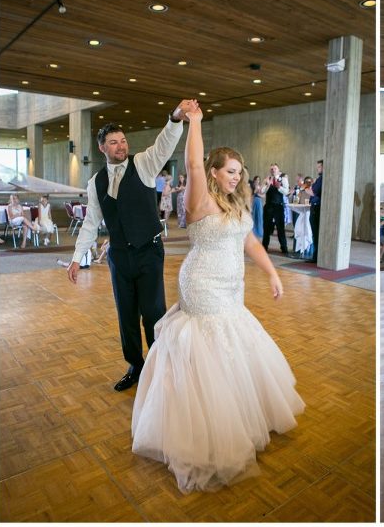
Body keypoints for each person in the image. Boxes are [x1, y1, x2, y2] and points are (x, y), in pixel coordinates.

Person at [131, 104, 304, 493]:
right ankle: (206, 428)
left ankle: (237, 414)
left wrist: (272, 272)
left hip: (232, 287)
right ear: (214, 172)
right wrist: (194, 122)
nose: (236, 178)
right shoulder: (199, 200)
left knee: (232, 344)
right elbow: (193, 164)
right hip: (202, 284)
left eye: (239, 172)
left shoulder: (235, 204)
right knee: (207, 347)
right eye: (230, 171)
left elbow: (250, 241)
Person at [67, 99, 197, 391]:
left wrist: (176, 117)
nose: (121, 146)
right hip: (119, 256)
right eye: (113, 142)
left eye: (123, 140)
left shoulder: (143, 164)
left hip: (149, 252)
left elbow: (164, 145)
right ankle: (135, 366)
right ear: (102, 148)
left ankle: (161, 366)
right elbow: (91, 222)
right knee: (126, 314)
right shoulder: (96, 182)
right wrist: (77, 257)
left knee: (153, 312)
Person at [261, 163, 289, 255]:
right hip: (268, 206)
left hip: (278, 206)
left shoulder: (283, 179)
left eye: (275, 168)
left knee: (280, 228)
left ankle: (284, 248)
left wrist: (279, 187)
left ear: (278, 169)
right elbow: (262, 191)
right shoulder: (267, 179)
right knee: (266, 228)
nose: (273, 170)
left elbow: (286, 192)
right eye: (271, 169)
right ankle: (264, 247)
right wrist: (267, 185)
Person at [307, 160, 323, 264]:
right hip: (316, 207)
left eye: (319, 167)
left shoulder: (322, 179)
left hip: (317, 208)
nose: (318, 169)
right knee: (315, 233)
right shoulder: (319, 179)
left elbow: (313, 192)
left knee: (316, 233)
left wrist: (305, 187)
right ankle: (315, 255)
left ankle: (315, 257)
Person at [250, 175, 264, 240]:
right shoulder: (253, 186)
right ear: (254, 180)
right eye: (256, 179)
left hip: (259, 201)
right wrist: (256, 191)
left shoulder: (260, 186)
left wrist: (259, 195)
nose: (257, 181)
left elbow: (263, 195)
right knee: (254, 215)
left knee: (259, 215)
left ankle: (259, 231)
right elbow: (253, 193)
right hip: (254, 200)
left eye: (258, 180)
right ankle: (253, 231)